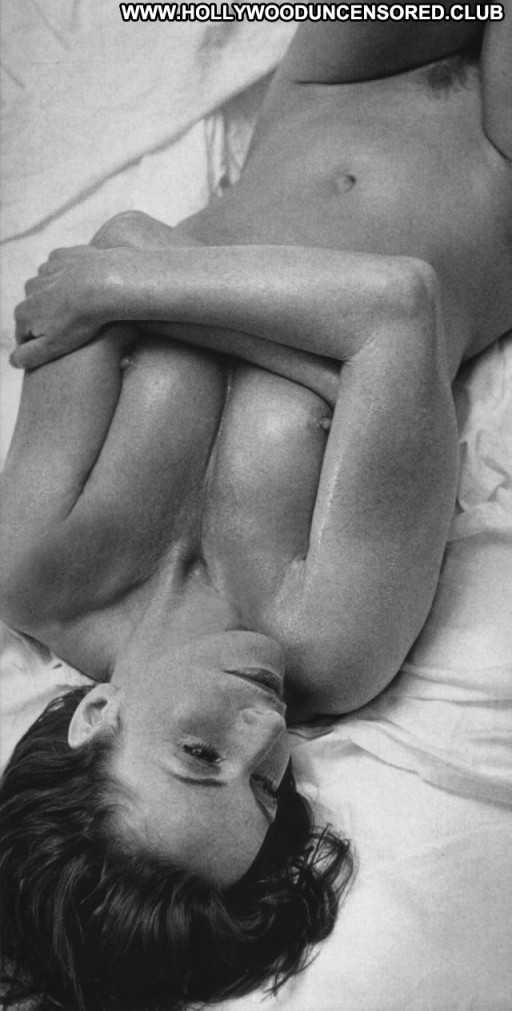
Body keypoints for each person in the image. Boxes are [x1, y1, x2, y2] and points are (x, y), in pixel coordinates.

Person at [1, 9, 511, 1011]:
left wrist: (345, 367)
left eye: (202, 756)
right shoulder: (333, 640)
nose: (267, 733)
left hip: (329, 88)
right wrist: (135, 293)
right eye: (268, 787)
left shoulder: (36, 562)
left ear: (97, 718)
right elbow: (403, 306)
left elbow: (109, 245)